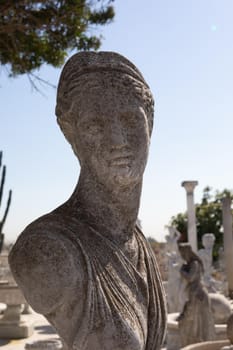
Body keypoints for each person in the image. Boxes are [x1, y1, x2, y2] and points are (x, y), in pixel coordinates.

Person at [9, 52, 166, 350]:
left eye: (131, 119)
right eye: (96, 125)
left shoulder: (137, 244)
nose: (118, 139)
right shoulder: (46, 251)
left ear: (150, 125)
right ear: (73, 136)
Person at [177, 243, 215, 347]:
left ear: (187, 253)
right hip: (193, 295)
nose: (182, 256)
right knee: (192, 323)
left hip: (198, 295)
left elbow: (191, 278)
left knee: (199, 325)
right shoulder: (189, 264)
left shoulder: (194, 264)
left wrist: (182, 271)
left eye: (183, 254)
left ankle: (200, 345)